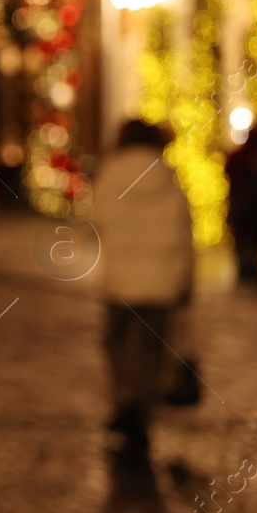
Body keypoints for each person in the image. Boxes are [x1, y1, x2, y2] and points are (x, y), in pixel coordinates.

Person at [92, 118, 195, 466]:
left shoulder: (111, 174)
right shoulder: (169, 178)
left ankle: (125, 401)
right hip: (161, 282)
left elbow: (99, 220)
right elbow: (184, 236)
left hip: (120, 280)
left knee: (116, 343)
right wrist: (185, 283)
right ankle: (140, 410)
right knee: (150, 351)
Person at [224, 120, 257, 286]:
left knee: (248, 244)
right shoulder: (245, 158)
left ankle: (248, 271)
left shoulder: (243, 158)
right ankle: (247, 272)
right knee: (247, 244)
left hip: (250, 211)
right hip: (247, 211)